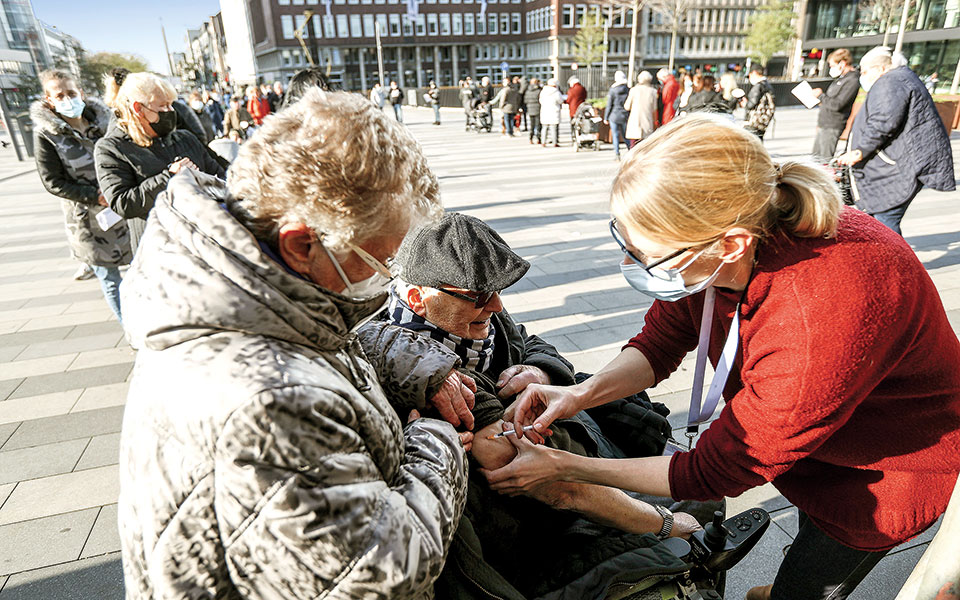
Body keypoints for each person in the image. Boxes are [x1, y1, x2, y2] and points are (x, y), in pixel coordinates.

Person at [484, 113, 960, 600]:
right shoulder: (723, 243)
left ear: (731, 243)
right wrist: (576, 394)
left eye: (650, 254)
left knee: (812, 581)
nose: (634, 264)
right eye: (624, 240)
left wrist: (566, 468)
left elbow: (717, 471)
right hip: (807, 448)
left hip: (881, 479)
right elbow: (660, 342)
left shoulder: (818, 311)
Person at [116, 89, 470, 599]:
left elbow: (319, 342)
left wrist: (416, 366)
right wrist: (436, 447)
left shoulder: (242, 287)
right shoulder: (269, 403)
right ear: (303, 243)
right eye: (383, 261)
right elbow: (376, 572)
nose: (391, 279)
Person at [359, 212, 717, 598]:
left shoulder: (470, 317)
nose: (495, 305)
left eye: (498, 289)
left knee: (704, 497)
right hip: (542, 532)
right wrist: (663, 523)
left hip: (583, 472)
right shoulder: (441, 381)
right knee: (702, 508)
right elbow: (562, 490)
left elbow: (532, 343)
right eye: (479, 296)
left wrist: (540, 371)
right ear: (417, 297)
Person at [31, 69, 131, 323]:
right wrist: (93, 195)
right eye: (60, 95)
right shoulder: (46, 135)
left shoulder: (106, 123)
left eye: (72, 93)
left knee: (139, 271)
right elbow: (52, 182)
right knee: (110, 281)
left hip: (122, 209)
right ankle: (133, 334)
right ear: (48, 100)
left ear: (82, 93)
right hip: (88, 222)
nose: (67, 99)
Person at [95, 72, 225, 252]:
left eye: (171, 105)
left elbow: (221, 174)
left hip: (204, 241)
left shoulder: (185, 138)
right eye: (163, 106)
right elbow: (122, 203)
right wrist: (169, 176)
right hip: (160, 250)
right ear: (138, 108)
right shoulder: (110, 149)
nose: (171, 112)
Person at [836, 46, 955, 236]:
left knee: (885, 224)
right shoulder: (900, 79)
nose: (863, 76)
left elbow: (883, 121)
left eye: (865, 71)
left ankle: (897, 262)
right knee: (880, 222)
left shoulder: (890, 82)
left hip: (895, 170)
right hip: (897, 165)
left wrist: (859, 151)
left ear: (881, 69)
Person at [811, 49, 860, 161]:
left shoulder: (852, 80)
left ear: (842, 63)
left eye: (832, 65)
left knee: (824, 159)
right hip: (825, 123)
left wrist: (821, 96)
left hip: (832, 125)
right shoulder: (841, 78)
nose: (831, 68)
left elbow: (838, 104)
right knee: (815, 158)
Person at [624, 71, 659, 148]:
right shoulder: (653, 91)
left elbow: (627, 106)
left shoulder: (633, 90)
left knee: (633, 145)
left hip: (635, 121)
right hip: (647, 120)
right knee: (645, 146)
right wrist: (655, 123)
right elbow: (654, 109)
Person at [743, 65, 775, 140]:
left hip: (754, 121)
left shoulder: (758, 86)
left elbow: (751, 103)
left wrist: (745, 104)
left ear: (754, 73)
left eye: (750, 75)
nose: (750, 78)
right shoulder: (767, 85)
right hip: (763, 121)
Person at [604, 71, 630, 160]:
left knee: (615, 135)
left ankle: (617, 153)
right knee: (625, 135)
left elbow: (609, 105)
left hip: (614, 115)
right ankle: (630, 151)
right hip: (624, 115)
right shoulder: (628, 89)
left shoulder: (613, 90)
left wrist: (606, 117)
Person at [538, 78, 563, 147]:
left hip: (545, 110)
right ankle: (554, 142)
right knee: (553, 128)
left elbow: (540, 100)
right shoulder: (556, 92)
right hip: (554, 110)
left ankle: (543, 142)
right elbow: (560, 100)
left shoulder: (543, 91)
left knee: (544, 127)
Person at [566, 76, 587, 141]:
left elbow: (568, 100)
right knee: (581, 123)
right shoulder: (582, 88)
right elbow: (585, 96)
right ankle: (581, 136)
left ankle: (574, 137)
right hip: (581, 108)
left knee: (573, 124)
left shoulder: (571, 90)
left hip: (573, 109)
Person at [524, 77, 542, 144]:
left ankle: (530, 138)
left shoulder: (527, 91)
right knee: (538, 125)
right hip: (538, 108)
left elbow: (525, 100)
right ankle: (538, 138)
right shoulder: (539, 90)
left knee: (532, 125)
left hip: (530, 108)